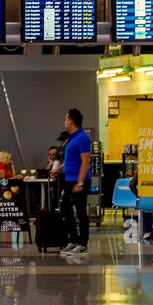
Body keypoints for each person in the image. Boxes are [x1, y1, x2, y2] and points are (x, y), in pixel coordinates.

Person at [59, 108, 92, 254]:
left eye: (66, 119)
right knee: (65, 208)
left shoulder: (83, 138)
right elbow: (70, 160)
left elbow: (85, 162)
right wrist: (58, 169)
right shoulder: (72, 138)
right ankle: (73, 239)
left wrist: (80, 182)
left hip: (79, 181)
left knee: (80, 211)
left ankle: (83, 243)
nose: (65, 121)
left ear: (71, 121)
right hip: (69, 179)